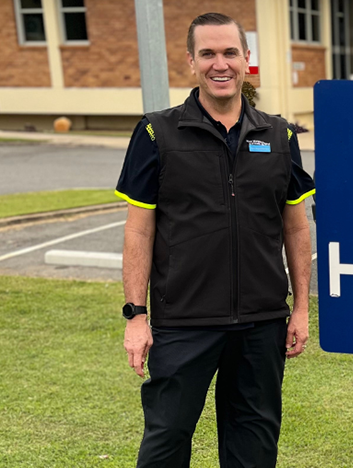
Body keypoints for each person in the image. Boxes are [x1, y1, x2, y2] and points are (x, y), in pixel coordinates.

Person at [114, 12, 315, 467]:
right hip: (184, 321)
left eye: (229, 52)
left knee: (254, 448)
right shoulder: (155, 133)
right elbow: (138, 229)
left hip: (262, 324)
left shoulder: (279, 135)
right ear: (191, 61)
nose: (219, 64)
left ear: (247, 59)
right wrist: (135, 315)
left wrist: (300, 308)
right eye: (207, 53)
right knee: (165, 443)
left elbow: (296, 227)